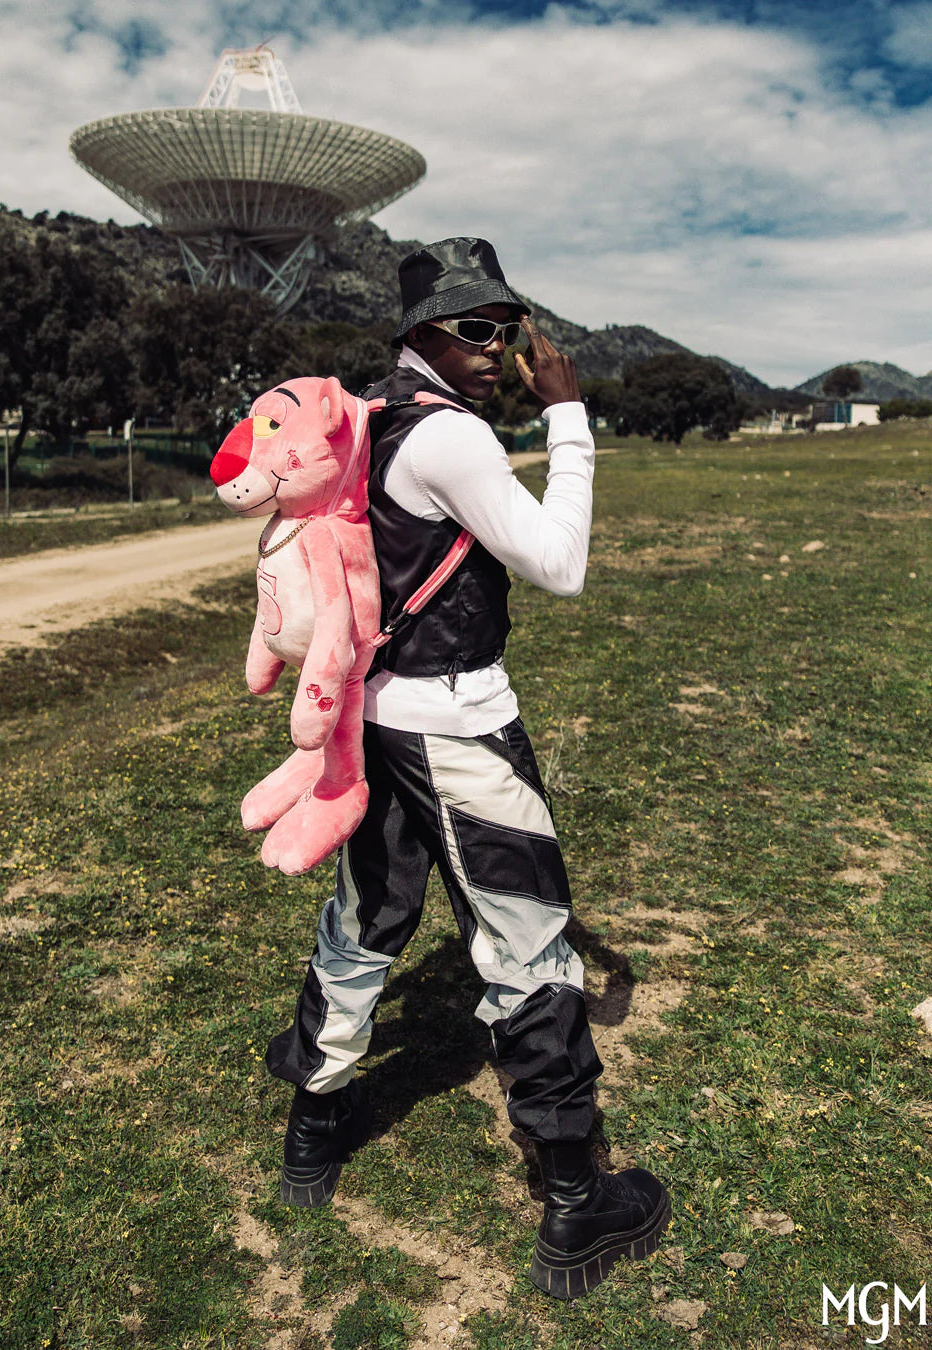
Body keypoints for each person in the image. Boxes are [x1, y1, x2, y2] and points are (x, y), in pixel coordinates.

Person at [265, 237, 669, 1300]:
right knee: (528, 939)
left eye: (506, 322)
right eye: (472, 327)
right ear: (422, 336)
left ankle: (315, 1121)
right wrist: (568, 419)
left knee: (369, 914)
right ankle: (577, 1199)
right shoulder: (450, 438)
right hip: (457, 724)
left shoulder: (374, 415)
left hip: (380, 720)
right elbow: (561, 564)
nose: (497, 346)